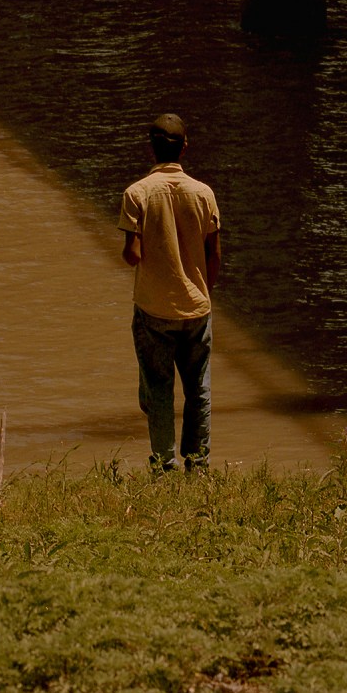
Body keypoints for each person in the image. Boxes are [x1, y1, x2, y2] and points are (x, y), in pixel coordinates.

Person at [118, 112, 221, 472]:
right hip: (196, 308)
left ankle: (164, 466)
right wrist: (201, 294)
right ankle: (198, 464)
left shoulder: (136, 194)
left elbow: (132, 255)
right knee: (199, 392)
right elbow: (214, 257)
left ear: (151, 148)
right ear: (185, 148)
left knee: (159, 391)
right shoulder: (204, 194)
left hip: (154, 311)